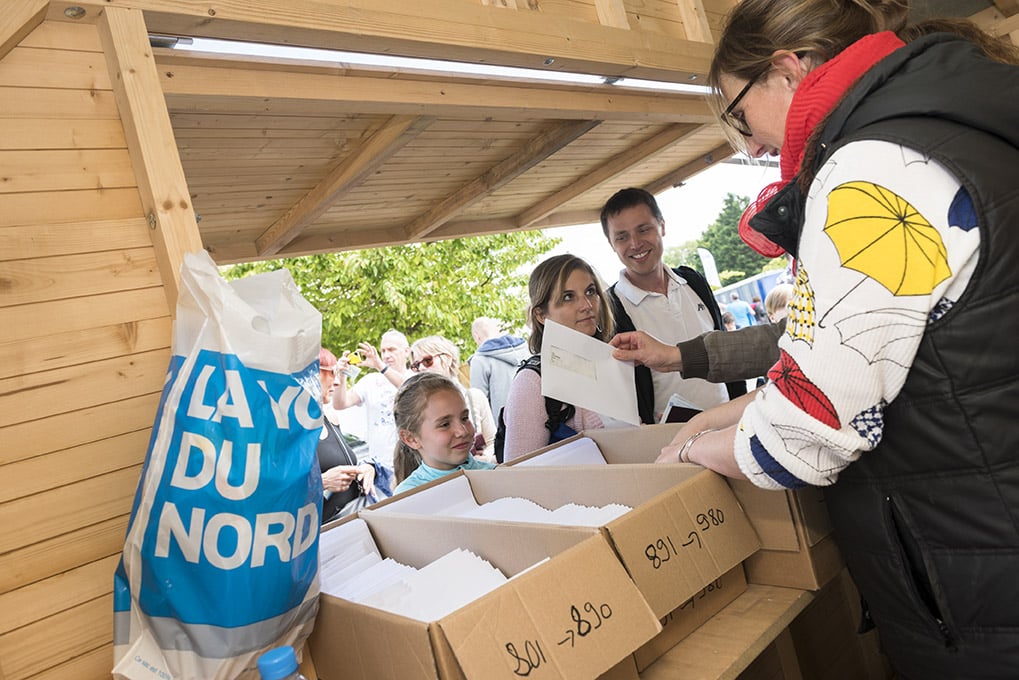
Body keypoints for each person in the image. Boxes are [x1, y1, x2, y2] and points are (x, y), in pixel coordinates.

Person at [658, 2, 1019, 677]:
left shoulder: (872, 172)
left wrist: (690, 452)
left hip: (985, 579)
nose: (751, 147)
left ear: (787, 70)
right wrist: (729, 411)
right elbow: (919, 354)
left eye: (739, 115)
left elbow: (806, 435)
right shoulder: (957, 120)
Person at [600, 187, 745, 425]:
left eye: (643, 229)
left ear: (662, 226)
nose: (635, 243)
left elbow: (725, 352)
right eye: (622, 237)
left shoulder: (694, 282)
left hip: (731, 426)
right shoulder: (609, 310)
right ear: (611, 243)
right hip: (671, 440)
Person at [501, 254, 616, 462]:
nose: (587, 305)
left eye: (590, 292)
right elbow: (520, 473)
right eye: (568, 297)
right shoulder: (532, 383)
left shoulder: (612, 363)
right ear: (541, 315)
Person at [315, 348, 390, 523]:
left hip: (355, 519)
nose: (336, 382)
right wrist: (322, 482)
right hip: (324, 529)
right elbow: (270, 489)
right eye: (331, 373)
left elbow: (348, 461)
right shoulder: (286, 429)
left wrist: (367, 468)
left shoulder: (330, 418)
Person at [392, 372, 496, 495]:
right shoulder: (408, 497)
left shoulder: (496, 475)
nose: (462, 431)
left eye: (464, 418)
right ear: (411, 439)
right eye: (445, 424)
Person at [331, 329, 410, 491]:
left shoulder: (416, 376)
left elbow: (409, 388)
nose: (386, 355)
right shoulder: (371, 381)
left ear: (407, 351)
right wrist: (342, 375)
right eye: (383, 351)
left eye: (392, 349)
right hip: (380, 466)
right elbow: (340, 404)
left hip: (412, 462)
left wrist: (379, 365)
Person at [409, 334, 497, 462]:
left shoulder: (474, 397)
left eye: (427, 361)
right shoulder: (415, 407)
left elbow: (492, 441)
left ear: (447, 359)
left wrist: (485, 458)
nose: (421, 368)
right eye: (416, 365)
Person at [469, 316, 529, 418]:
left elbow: (478, 405)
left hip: (502, 424)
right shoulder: (527, 349)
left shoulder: (479, 360)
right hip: (535, 418)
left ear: (476, 336)